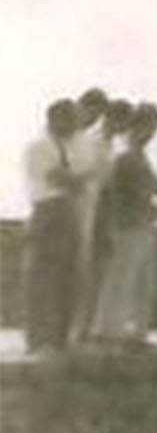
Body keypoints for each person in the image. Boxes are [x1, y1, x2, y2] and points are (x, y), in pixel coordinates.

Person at [92, 103, 157, 348]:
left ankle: (136, 334)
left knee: (142, 283)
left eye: (154, 128)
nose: (152, 133)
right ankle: (108, 332)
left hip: (143, 225)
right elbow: (143, 190)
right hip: (127, 226)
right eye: (148, 127)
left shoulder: (141, 157)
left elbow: (156, 186)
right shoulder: (125, 157)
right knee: (121, 280)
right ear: (137, 126)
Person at [22, 99, 84, 353]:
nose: (76, 126)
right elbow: (59, 178)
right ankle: (39, 338)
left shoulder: (66, 148)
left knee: (66, 276)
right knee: (43, 276)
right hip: (48, 208)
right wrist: (80, 179)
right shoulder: (39, 146)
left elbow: (72, 181)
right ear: (56, 119)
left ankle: (58, 337)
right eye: (72, 119)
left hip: (67, 209)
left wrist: (76, 181)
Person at [67, 88, 112, 343]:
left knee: (82, 271)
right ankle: (67, 331)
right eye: (91, 112)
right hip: (68, 208)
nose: (93, 119)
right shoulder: (69, 138)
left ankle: (79, 330)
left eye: (97, 115)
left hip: (88, 209)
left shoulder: (87, 140)